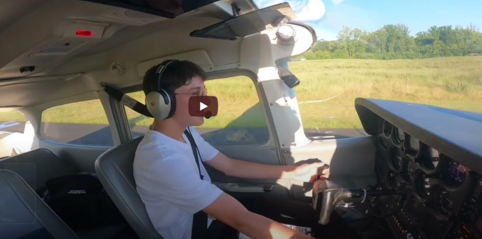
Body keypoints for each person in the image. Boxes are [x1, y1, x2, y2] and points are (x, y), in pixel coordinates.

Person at [133, 60, 342, 239]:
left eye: (204, 91)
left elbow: (230, 166)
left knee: (321, 224)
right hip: (202, 233)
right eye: (196, 93)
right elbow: (241, 220)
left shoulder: (185, 132)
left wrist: (294, 172)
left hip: (213, 218)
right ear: (161, 102)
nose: (205, 100)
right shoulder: (161, 159)